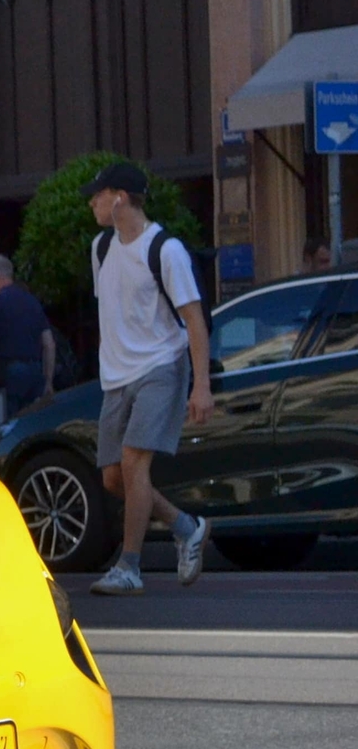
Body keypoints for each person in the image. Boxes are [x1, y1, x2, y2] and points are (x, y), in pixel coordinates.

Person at [85, 162, 212, 596]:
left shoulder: (166, 250)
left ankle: (130, 567)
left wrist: (201, 385)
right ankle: (185, 526)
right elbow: (114, 312)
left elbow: (194, 322)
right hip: (116, 376)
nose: (91, 203)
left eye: (98, 194)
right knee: (113, 478)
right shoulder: (100, 248)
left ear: (120, 198)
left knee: (135, 464)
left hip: (161, 366)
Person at [0, 254, 56, 415]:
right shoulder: (32, 301)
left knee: (8, 427)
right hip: (35, 372)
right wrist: (48, 380)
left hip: (9, 374)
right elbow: (49, 344)